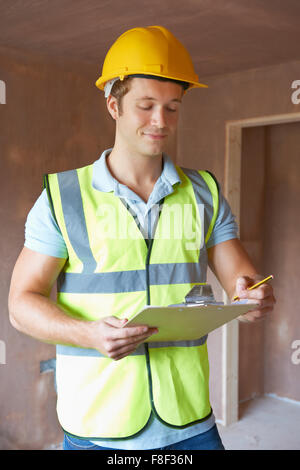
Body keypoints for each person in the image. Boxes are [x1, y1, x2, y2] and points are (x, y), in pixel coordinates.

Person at [8, 26, 275, 451]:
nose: (160, 121)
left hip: (189, 421)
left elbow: (241, 287)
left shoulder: (204, 192)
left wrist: (252, 300)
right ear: (114, 105)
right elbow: (22, 304)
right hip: (97, 423)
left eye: (172, 108)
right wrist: (88, 333)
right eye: (146, 106)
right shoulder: (63, 198)